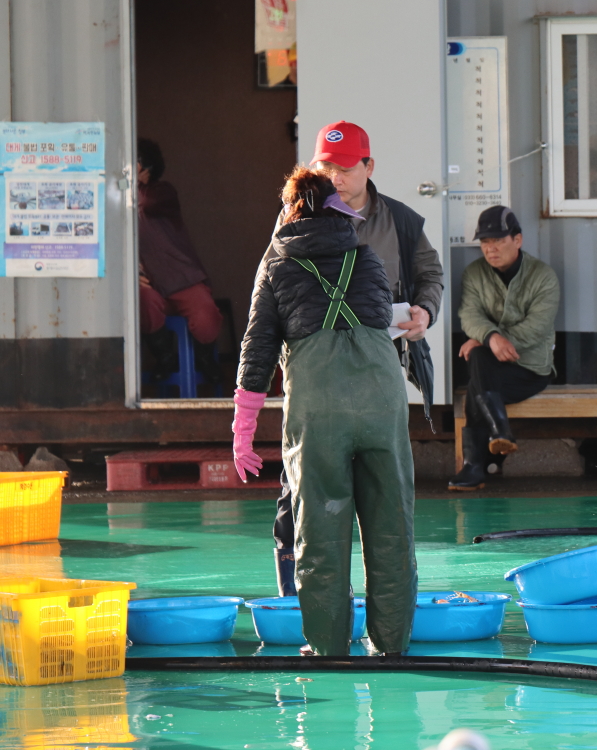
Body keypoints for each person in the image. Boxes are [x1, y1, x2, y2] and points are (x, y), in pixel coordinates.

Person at [233, 165, 416, 656]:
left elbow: (258, 350)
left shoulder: (276, 265)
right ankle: (391, 646)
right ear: (337, 211)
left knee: (321, 531)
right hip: (381, 404)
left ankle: (329, 646)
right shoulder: (369, 258)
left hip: (320, 415)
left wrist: (243, 430)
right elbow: (381, 319)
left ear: (289, 212)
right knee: (392, 528)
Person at [264, 121, 444, 597]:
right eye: (326, 166)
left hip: (378, 370)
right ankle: (294, 596)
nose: (336, 177)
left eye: (345, 167)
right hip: (317, 377)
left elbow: (430, 273)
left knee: (384, 495)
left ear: (369, 166)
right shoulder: (293, 217)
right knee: (298, 488)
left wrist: (425, 310)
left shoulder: (401, 221)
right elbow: (268, 284)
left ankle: (380, 608)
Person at [450, 206, 560, 492]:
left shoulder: (542, 276)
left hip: (528, 370)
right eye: (485, 242)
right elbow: (469, 315)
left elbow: (538, 326)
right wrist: (489, 337)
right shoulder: (474, 273)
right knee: (479, 358)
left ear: (518, 240)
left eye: (498, 240)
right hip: (490, 368)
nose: (491, 249)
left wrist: (492, 339)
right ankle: (499, 432)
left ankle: (474, 467)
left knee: (477, 377)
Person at [136, 138, 223, 385]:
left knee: (206, 317)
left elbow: (146, 202)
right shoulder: (120, 199)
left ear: (145, 165)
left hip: (181, 278)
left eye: (134, 162)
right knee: (143, 303)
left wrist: (134, 181)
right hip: (150, 284)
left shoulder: (162, 191)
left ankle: (205, 359)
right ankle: (165, 358)